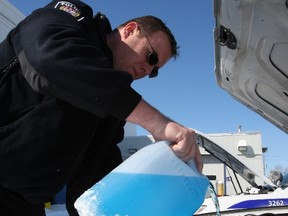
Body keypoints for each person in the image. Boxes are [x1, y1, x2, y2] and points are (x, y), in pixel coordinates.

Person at [0, 0, 202, 215]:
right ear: (130, 30)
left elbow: (97, 168)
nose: (146, 69)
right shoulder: (70, 20)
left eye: (154, 71)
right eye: (150, 56)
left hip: (26, 201)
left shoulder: (112, 105)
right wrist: (159, 123)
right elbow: (49, 60)